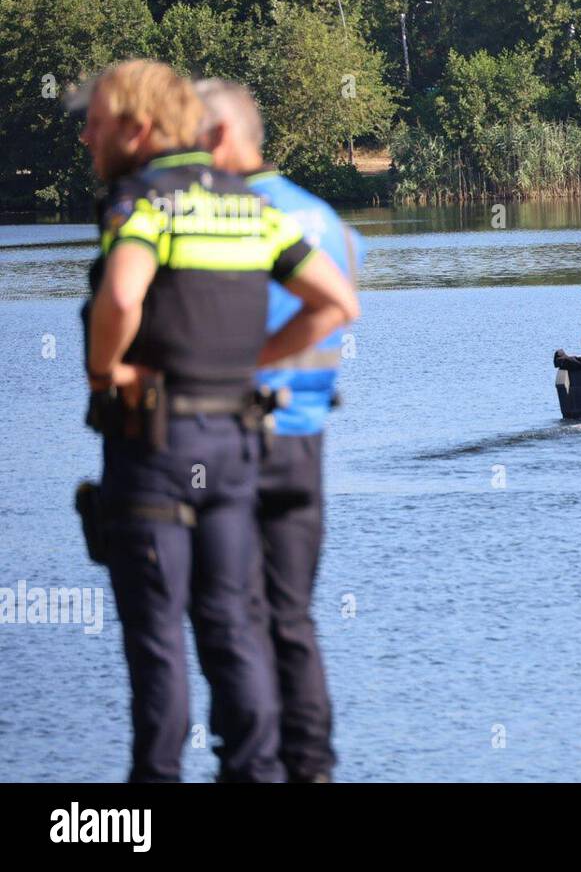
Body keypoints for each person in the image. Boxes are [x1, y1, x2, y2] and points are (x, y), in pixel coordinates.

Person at [78, 59, 359, 782]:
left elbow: (119, 298)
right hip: (242, 443)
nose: (85, 136)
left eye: (97, 123)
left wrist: (107, 370)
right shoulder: (252, 207)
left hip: (156, 445)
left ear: (138, 128)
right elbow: (336, 303)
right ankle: (268, 772)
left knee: (158, 638)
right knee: (237, 625)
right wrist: (252, 363)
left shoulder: (143, 203)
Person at [196, 79, 363, 782]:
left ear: (217, 139)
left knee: (230, 619)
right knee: (292, 619)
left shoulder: (227, 215)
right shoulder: (331, 221)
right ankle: (313, 766)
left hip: (233, 435)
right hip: (306, 439)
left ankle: (247, 763)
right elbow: (337, 310)